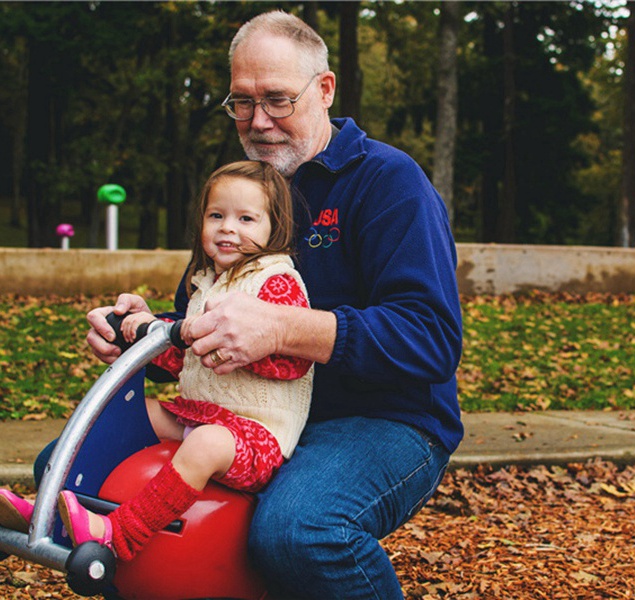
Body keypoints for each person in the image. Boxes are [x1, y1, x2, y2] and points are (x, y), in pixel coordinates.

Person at [49, 9, 461, 599]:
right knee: (65, 471)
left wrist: (283, 329)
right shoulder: (244, 190)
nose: (258, 121)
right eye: (242, 102)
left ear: (324, 89)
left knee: (299, 530)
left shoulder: (389, 182)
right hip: (242, 413)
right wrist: (141, 333)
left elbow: (431, 341)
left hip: (383, 419)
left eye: (277, 100)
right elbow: (203, 326)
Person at [3, 161, 314, 562]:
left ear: (275, 228)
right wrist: (141, 334)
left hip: (256, 436)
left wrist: (236, 344)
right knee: (122, 415)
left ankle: (121, 534)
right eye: (216, 215)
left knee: (203, 444)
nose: (228, 228)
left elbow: (294, 362)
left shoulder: (276, 281)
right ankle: (50, 515)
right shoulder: (208, 281)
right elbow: (183, 358)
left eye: (247, 219)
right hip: (198, 413)